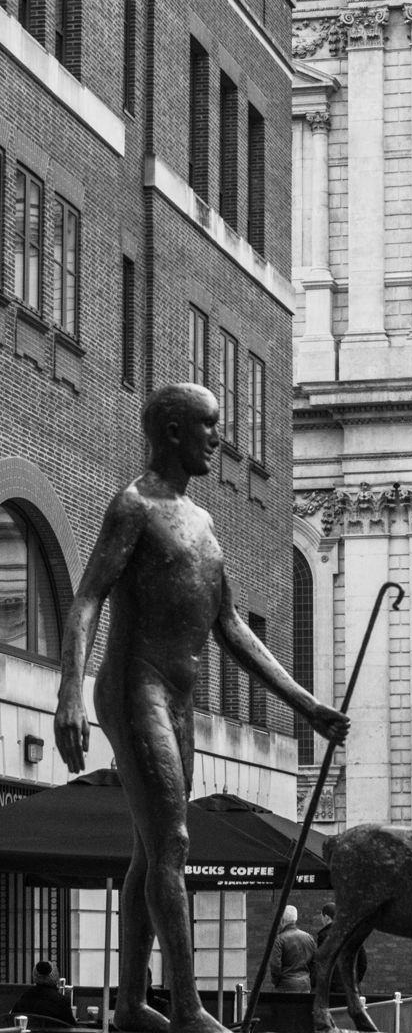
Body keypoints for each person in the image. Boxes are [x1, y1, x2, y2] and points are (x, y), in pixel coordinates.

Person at [53, 384, 349, 1033]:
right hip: (136, 692)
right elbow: (87, 598)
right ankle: (186, 1009)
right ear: (172, 432)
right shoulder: (132, 506)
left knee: (149, 848)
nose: (219, 438)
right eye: (207, 427)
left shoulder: (206, 525)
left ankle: (131, 1005)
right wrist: (70, 688)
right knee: (174, 842)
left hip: (180, 702)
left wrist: (307, 706)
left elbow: (234, 631)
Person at [10, 962, 76, 1026]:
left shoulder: (24, 998)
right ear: (56, 977)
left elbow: (11, 1019)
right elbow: (71, 1025)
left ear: (34, 976)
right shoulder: (62, 1001)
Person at [270, 907, 316, 993]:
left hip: (286, 984)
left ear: (282, 920)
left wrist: (276, 981)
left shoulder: (279, 939)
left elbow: (275, 964)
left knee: (288, 1006)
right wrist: (311, 981)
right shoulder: (309, 937)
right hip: (306, 984)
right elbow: (314, 963)